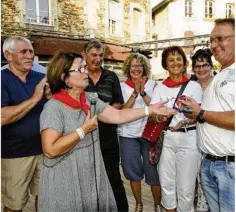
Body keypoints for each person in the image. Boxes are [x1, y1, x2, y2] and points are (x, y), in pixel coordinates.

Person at [38, 51, 176, 212]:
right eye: (80, 69)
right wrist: (83, 131)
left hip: (87, 177)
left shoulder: (90, 100)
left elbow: (118, 115)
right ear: (64, 78)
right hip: (65, 179)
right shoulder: (53, 107)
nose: (86, 72)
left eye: (85, 68)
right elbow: (50, 150)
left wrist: (149, 110)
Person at [182, 18, 235, 212]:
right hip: (210, 163)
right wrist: (196, 109)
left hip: (229, 167)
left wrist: (201, 112)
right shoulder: (222, 73)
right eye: (211, 40)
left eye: (220, 38)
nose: (214, 45)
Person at [151, 46, 203, 212]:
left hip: (188, 139)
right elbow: (152, 115)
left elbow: (198, 115)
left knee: (186, 189)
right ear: (165, 64)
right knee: (167, 185)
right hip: (166, 139)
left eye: (179, 59)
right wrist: (160, 116)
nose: (175, 63)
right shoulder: (159, 88)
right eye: (171, 59)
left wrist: (185, 119)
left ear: (184, 62)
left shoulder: (194, 86)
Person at [1, 36, 48, 212]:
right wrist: (35, 98)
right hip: (15, 154)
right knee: (14, 205)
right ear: (8, 54)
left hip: (44, 151)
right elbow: (2, 117)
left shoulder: (41, 77)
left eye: (31, 52)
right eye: (24, 52)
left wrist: (49, 98)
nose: (30, 56)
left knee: (45, 198)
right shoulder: (2, 79)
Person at [83, 39, 128, 211]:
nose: (97, 58)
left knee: (113, 178)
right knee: (87, 180)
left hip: (108, 137)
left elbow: (118, 103)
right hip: (84, 139)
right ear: (85, 55)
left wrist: (102, 115)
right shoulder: (77, 75)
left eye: (100, 55)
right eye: (93, 55)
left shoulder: (111, 76)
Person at [117, 53, 161, 212]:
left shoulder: (154, 84)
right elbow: (122, 111)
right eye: (133, 65)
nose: (136, 68)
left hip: (149, 135)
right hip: (128, 135)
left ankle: (157, 205)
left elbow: (156, 107)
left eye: (139, 65)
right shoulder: (122, 86)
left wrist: (143, 93)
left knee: (153, 172)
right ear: (128, 68)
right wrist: (134, 94)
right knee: (132, 171)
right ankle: (139, 203)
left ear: (144, 68)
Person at [191, 48, 214, 212]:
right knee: (196, 176)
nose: (201, 69)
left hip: (216, 138)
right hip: (194, 137)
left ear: (211, 66)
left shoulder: (219, 84)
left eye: (204, 65)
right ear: (193, 69)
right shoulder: (191, 87)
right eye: (197, 66)